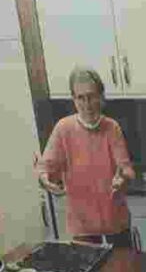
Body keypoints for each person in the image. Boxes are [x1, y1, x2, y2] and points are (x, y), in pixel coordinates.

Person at [36, 66, 138, 243]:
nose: (86, 104)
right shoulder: (63, 129)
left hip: (116, 221)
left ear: (100, 96)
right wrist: (45, 180)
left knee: (122, 269)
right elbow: (45, 168)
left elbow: (126, 169)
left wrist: (122, 179)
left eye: (91, 97)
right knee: (89, 270)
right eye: (80, 98)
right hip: (82, 226)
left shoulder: (112, 128)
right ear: (74, 99)